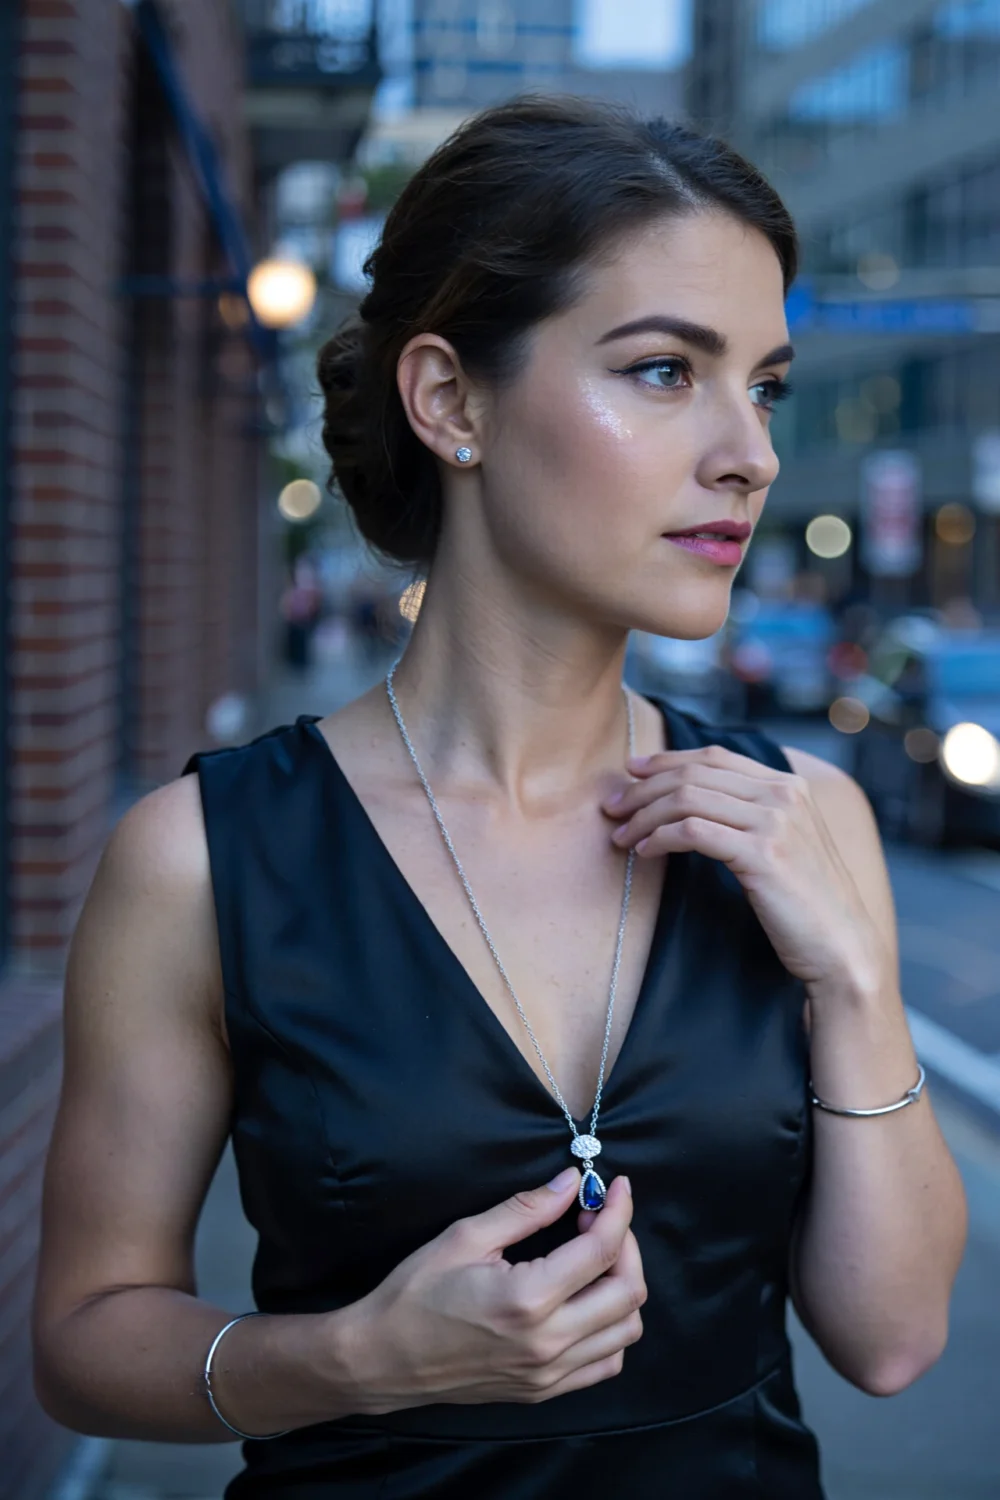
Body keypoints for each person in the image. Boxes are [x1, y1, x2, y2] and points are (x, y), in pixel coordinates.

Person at [32, 97, 966, 1499]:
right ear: (450, 400)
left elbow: (892, 1341)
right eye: (664, 371)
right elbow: (85, 1341)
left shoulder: (804, 817)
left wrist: (850, 978)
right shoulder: (207, 858)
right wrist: (351, 1359)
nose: (751, 453)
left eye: (764, 385)